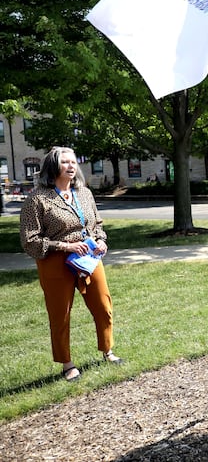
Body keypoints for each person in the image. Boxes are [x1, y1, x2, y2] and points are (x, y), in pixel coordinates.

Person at [19, 146, 123, 382]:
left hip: (88, 258)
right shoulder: (37, 200)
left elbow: (97, 223)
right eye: (65, 162)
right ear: (53, 166)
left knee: (103, 304)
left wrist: (101, 240)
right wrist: (65, 246)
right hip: (56, 262)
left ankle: (108, 351)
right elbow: (30, 240)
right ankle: (67, 364)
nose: (71, 166)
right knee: (60, 314)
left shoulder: (84, 193)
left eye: (73, 162)